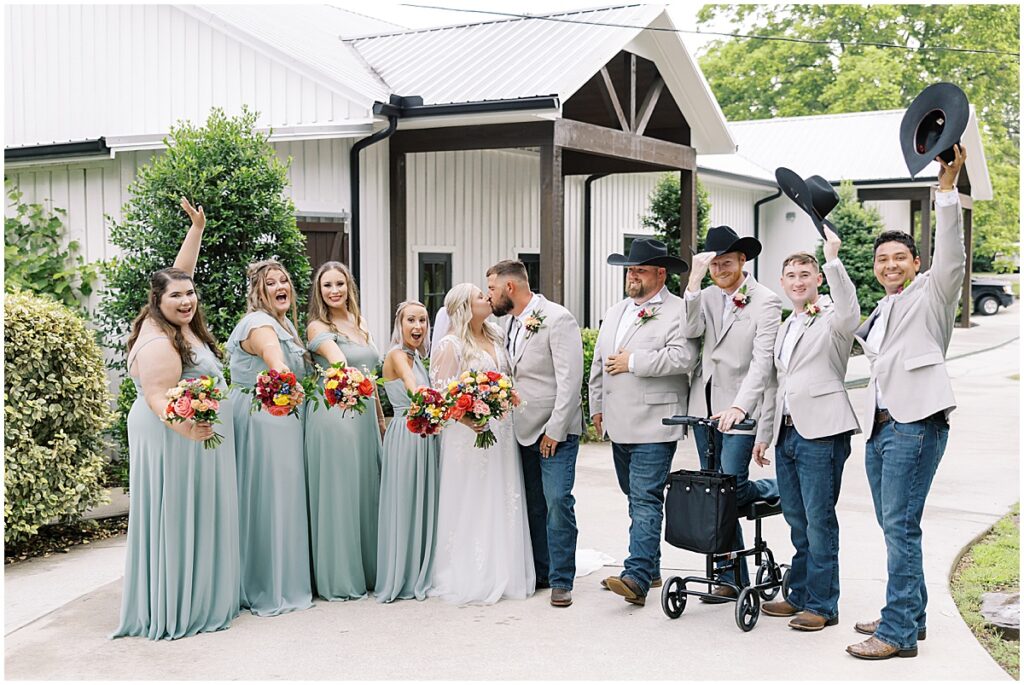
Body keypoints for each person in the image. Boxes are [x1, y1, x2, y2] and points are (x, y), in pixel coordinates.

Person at [846, 145, 967, 660]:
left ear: (916, 263)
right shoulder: (884, 305)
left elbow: (952, 256)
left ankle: (896, 633)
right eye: (882, 259)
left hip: (915, 424)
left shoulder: (933, 293)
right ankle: (909, 613)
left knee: (899, 524)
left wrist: (946, 190)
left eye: (900, 257)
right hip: (880, 426)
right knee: (893, 523)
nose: (890, 264)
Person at [113, 197, 240, 640]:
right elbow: (154, 396)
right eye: (177, 296)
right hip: (173, 434)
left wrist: (197, 230)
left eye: (190, 293)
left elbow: (179, 272)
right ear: (157, 301)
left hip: (190, 430)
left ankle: (202, 590)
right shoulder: (158, 343)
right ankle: (180, 602)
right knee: (178, 514)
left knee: (197, 512)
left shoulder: (174, 316)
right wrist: (188, 428)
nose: (186, 299)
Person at [588, 238, 699, 607]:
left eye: (640, 269)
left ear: (660, 273)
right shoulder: (616, 310)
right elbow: (600, 362)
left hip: (656, 419)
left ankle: (635, 576)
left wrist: (634, 361)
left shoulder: (678, 310)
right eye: (630, 269)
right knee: (634, 497)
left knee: (646, 498)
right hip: (618, 422)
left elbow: (684, 357)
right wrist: (597, 405)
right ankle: (650, 569)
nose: (632, 275)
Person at [760, 227, 861, 631]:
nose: (798, 282)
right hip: (786, 433)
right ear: (782, 283)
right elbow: (778, 384)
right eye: (791, 276)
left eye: (806, 274)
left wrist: (833, 258)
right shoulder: (786, 327)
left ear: (817, 279)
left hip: (822, 432)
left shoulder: (834, 319)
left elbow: (851, 310)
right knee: (796, 519)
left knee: (819, 520)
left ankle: (822, 604)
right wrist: (765, 435)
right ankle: (798, 593)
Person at [683, 225, 781, 600]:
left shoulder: (766, 301)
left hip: (743, 408)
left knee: (729, 487)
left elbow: (762, 363)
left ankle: (777, 490)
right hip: (704, 407)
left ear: (743, 260)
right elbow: (690, 330)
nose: (720, 268)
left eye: (727, 261)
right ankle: (729, 575)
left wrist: (742, 406)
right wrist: (693, 279)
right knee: (714, 493)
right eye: (713, 264)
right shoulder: (704, 295)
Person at [428, 283, 535, 605]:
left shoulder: (497, 335)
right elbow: (442, 396)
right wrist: (470, 418)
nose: (487, 298)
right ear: (463, 306)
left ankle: (506, 566)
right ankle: (470, 573)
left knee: (503, 495)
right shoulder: (450, 345)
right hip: (467, 435)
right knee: (471, 496)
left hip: (501, 431)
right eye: (479, 295)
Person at [486, 261, 584, 608]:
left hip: (554, 431)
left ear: (510, 288)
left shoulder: (558, 319)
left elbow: (571, 382)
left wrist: (555, 431)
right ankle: (541, 572)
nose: (490, 296)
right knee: (534, 505)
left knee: (558, 501)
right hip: (520, 429)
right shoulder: (509, 324)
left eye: (493, 289)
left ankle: (562, 579)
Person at [226, 259, 313, 616]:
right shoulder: (260, 325)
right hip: (262, 418)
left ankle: (284, 575)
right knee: (270, 496)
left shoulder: (285, 323)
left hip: (281, 415)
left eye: (285, 281)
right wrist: (286, 381)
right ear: (257, 292)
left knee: (284, 495)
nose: (281, 287)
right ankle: (267, 583)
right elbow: (274, 359)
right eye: (271, 282)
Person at [305, 261, 384, 600]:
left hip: (365, 413)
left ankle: (369, 570)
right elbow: (340, 363)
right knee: (341, 492)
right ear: (319, 292)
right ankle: (340, 577)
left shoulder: (359, 322)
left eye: (339, 283)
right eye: (327, 286)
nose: (334, 290)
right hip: (334, 413)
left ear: (349, 286)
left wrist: (381, 418)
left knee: (366, 488)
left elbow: (373, 374)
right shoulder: (316, 326)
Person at [375, 300, 440, 603]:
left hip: (425, 433)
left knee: (425, 500)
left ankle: (422, 566)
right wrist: (430, 401)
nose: (417, 327)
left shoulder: (418, 357)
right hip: (407, 433)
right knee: (407, 501)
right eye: (411, 320)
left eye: (423, 321)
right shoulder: (397, 355)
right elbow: (411, 385)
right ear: (399, 325)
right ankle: (404, 572)